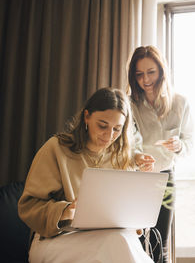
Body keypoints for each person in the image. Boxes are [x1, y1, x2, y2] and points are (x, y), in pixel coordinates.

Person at [18, 87, 155, 263]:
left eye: (117, 129)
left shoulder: (120, 157)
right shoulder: (56, 149)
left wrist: (136, 215)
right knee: (118, 244)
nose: (109, 136)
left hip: (110, 238)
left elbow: (126, 218)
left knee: (120, 241)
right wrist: (65, 211)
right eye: (102, 126)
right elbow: (28, 207)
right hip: (56, 239)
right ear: (87, 116)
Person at [127, 46, 194, 263]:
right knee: (133, 243)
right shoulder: (130, 104)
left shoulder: (180, 103)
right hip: (136, 178)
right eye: (139, 74)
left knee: (160, 245)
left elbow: (189, 141)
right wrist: (138, 156)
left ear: (161, 71)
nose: (145, 80)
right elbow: (129, 140)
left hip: (165, 178)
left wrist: (179, 146)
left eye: (151, 72)